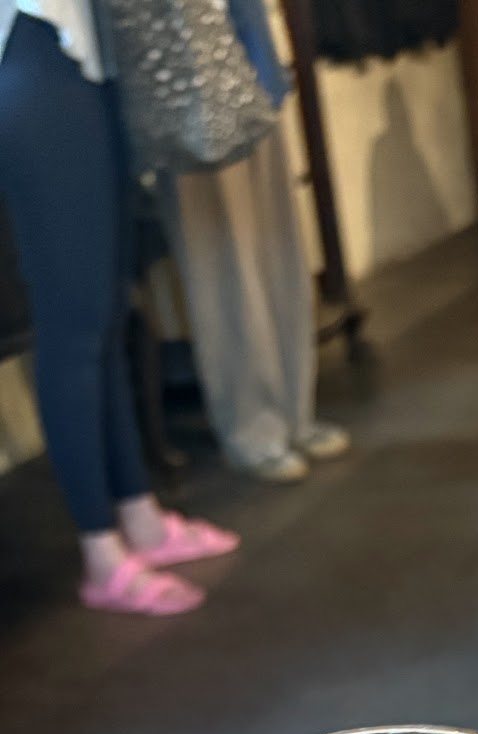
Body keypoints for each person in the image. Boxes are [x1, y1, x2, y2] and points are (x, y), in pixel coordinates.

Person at [0, 0, 238, 614]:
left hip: (86, 56)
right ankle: (101, 555)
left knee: (106, 310)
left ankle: (141, 517)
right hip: (33, 49)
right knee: (73, 322)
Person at [159, 0, 350, 485]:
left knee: (277, 245)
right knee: (225, 259)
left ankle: (294, 412)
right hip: (182, 68)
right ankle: (252, 429)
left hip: (248, 48)